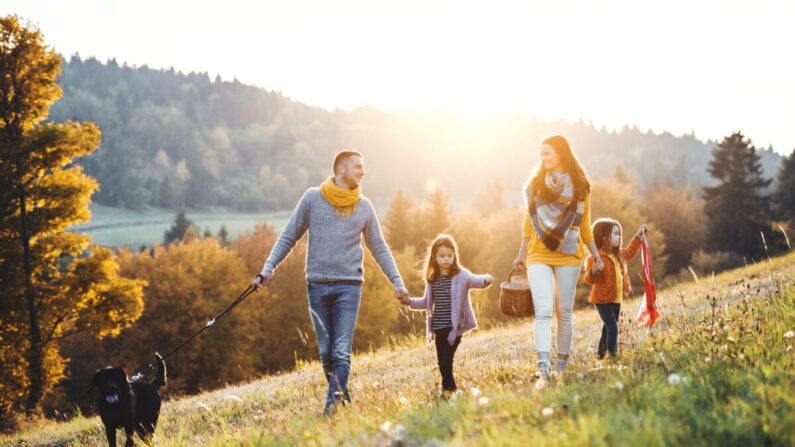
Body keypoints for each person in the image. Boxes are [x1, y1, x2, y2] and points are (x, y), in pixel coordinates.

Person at [251, 150, 409, 415]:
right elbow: (289, 235)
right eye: (358, 166)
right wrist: (268, 268)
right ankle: (343, 400)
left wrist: (397, 281)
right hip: (317, 287)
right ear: (341, 169)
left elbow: (379, 248)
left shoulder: (364, 206)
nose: (363, 171)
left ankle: (331, 412)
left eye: (363, 167)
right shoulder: (313, 198)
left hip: (349, 287)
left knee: (340, 351)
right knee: (326, 354)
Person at [512, 135, 603, 378]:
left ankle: (562, 365)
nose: (543, 158)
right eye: (541, 154)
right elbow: (528, 222)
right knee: (543, 311)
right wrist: (521, 253)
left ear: (561, 153)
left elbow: (585, 225)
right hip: (538, 254)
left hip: (569, 255)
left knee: (564, 312)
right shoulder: (535, 185)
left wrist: (596, 255)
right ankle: (543, 366)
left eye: (547, 153)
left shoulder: (580, 186)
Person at [400, 234, 493, 396]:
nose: (446, 259)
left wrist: (485, 279)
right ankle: (447, 391)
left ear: (454, 256)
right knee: (441, 363)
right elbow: (425, 302)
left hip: (454, 329)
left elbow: (474, 280)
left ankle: (452, 392)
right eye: (442, 256)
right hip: (438, 328)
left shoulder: (461, 275)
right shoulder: (432, 279)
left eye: (449, 255)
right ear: (434, 257)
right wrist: (409, 302)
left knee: (445, 361)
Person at [584, 218, 648, 359]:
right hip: (602, 300)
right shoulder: (596, 258)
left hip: (616, 299)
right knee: (613, 328)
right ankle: (613, 356)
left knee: (607, 329)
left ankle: (600, 355)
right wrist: (594, 270)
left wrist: (638, 236)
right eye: (615, 234)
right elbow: (589, 279)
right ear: (604, 237)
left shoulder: (618, 254)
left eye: (619, 233)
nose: (619, 237)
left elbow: (630, 251)